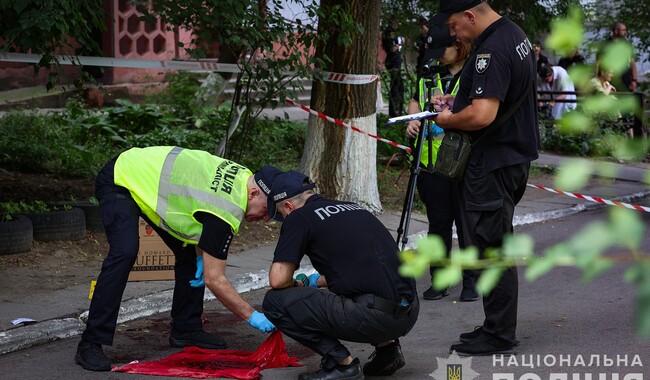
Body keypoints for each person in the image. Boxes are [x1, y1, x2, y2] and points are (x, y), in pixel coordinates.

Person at [75, 146, 278, 371]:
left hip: (150, 184)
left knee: (190, 254)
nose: (266, 218)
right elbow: (215, 279)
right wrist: (252, 316)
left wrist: (201, 254)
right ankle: (90, 342)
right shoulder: (228, 208)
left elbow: (203, 214)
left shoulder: (245, 177)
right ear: (254, 193)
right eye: (267, 210)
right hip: (121, 177)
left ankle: (186, 328)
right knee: (124, 252)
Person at [431, 0, 540, 356]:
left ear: (470, 15)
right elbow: (495, 96)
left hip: (492, 162)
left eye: (453, 25)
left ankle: (499, 333)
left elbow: (482, 116)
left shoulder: (490, 50)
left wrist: (446, 120)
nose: (453, 34)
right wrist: (458, 100)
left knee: (491, 247)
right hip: (512, 157)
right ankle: (496, 323)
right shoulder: (515, 35)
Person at [261, 170, 419, 380]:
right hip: (409, 312)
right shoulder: (354, 208)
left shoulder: (299, 217)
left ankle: (341, 364)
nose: (282, 219)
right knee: (371, 292)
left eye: (280, 213)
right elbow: (363, 268)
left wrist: (298, 286)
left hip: (374, 318)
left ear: (288, 206)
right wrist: (315, 282)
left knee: (274, 301)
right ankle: (388, 351)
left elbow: (278, 279)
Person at [405, 20, 478, 302]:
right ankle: (440, 279)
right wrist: (412, 121)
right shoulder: (428, 73)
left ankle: (472, 280)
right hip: (430, 165)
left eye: (442, 48)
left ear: (459, 45)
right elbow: (415, 100)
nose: (437, 54)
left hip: (463, 163)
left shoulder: (474, 73)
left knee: (466, 223)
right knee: (438, 225)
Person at [382, 20, 405, 117]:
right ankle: (394, 112)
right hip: (393, 62)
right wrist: (399, 45)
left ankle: (397, 111)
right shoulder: (389, 32)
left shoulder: (394, 32)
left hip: (395, 61)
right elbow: (392, 48)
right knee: (395, 88)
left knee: (399, 87)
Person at [608, 21, 638, 93]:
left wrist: (634, 80)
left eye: (626, 30)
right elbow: (599, 63)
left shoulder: (627, 44)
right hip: (611, 78)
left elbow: (632, 62)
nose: (625, 32)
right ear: (616, 31)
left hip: (625, 77)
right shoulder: (607, 44)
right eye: (623, 30)